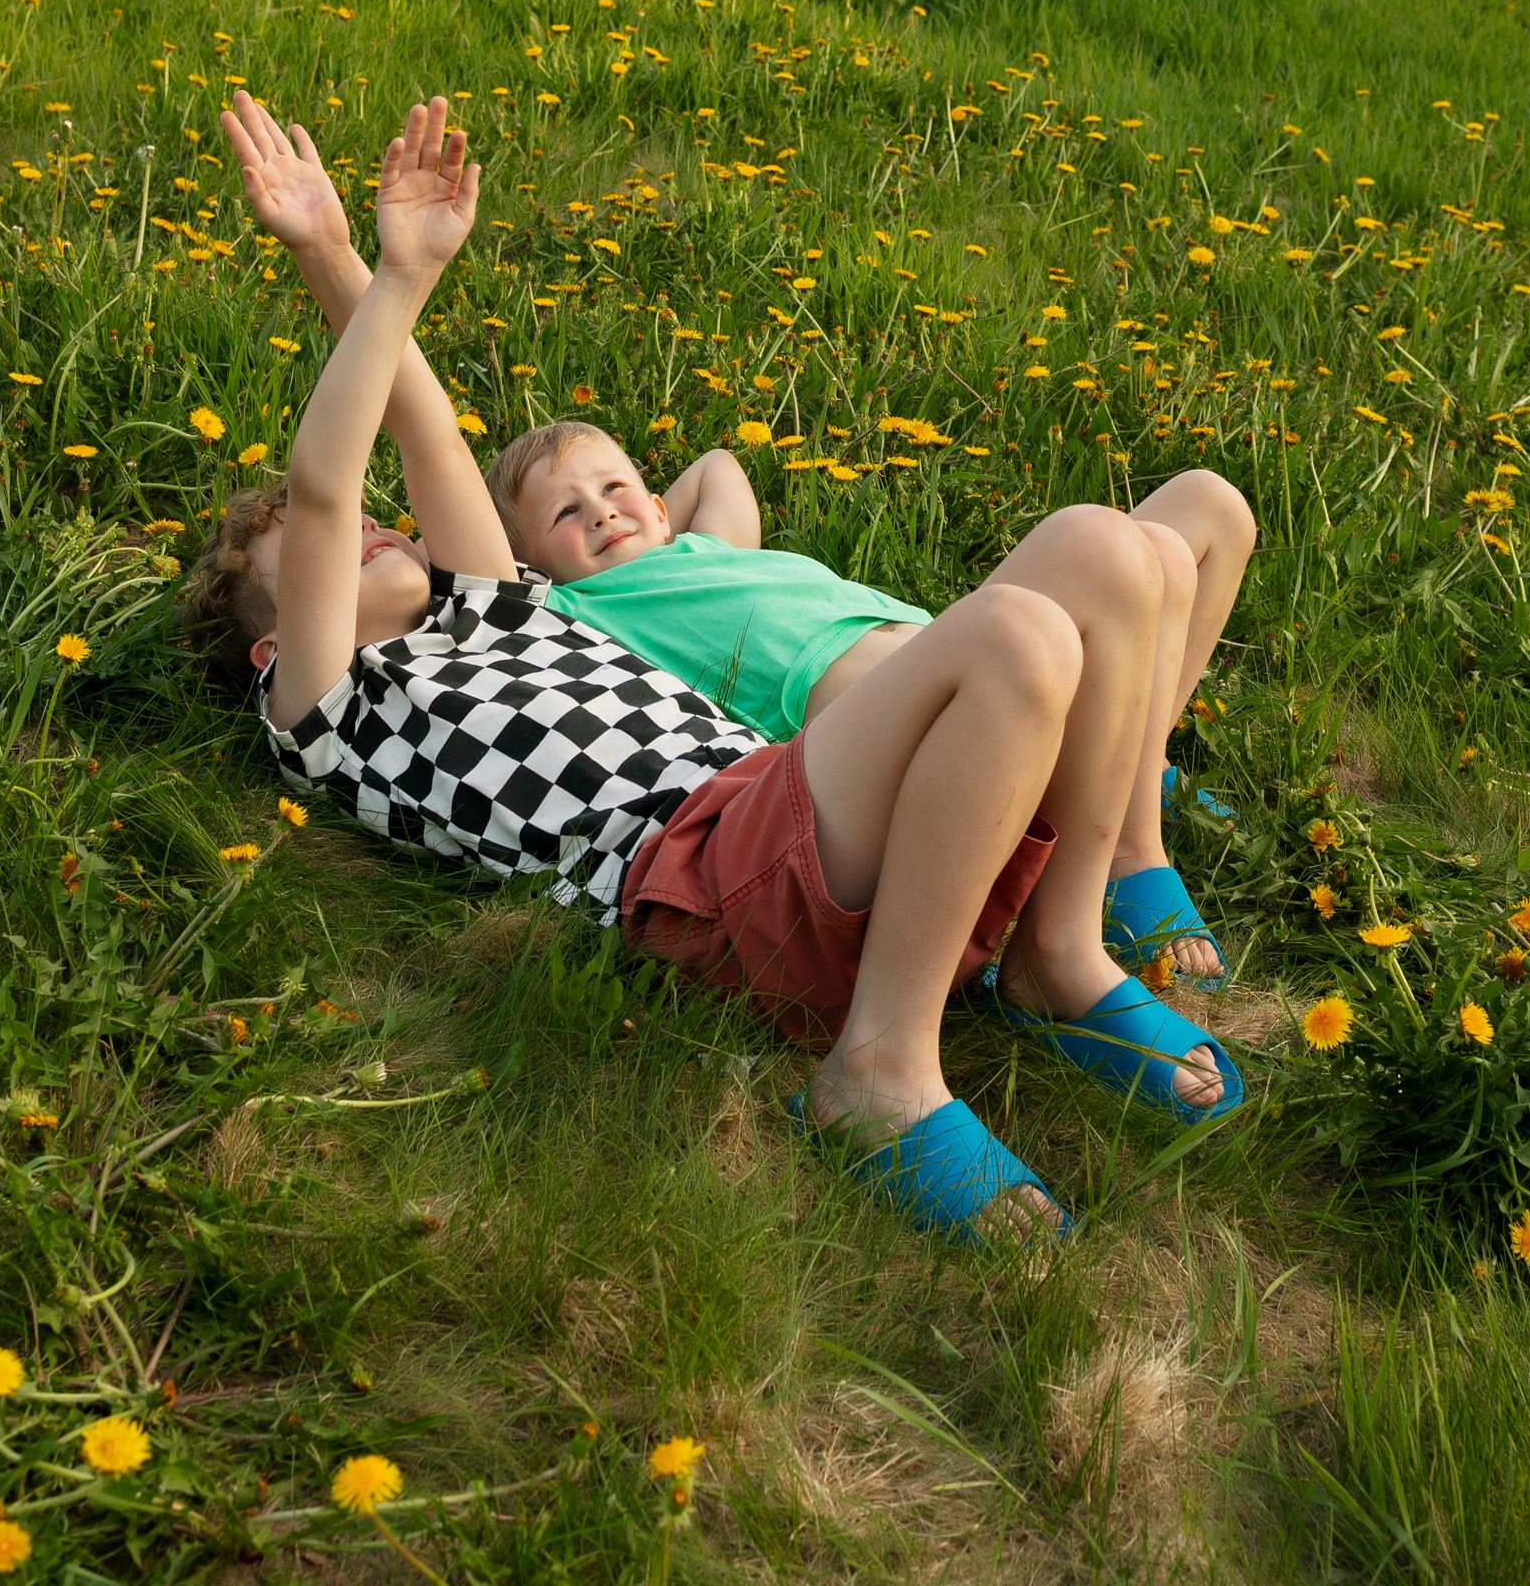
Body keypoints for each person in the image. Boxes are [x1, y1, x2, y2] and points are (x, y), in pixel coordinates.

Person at [196, 90, 1242, 1247]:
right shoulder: (334, 709)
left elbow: (423, 434)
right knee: (1014, 634)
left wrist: (347, 256)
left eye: (381, 530)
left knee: (1089, 553)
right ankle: (877, 1071)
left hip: (792, 805)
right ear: (276, 643)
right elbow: (332, 471)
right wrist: (384, 286)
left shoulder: (493, 608)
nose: (378, 532)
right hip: (693, 868)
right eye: (335, 553)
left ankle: (1055, 949)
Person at [488, 428, 1255, 1005]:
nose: (599, 512)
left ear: (658, 507)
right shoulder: (577, 610)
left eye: (615, 489)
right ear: (530, 563)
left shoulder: (706, 548)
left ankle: (1129, 764)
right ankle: (1127, 847)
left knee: (1203, 508)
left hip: (1008, 661)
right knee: (1097, 543)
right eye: (566, 510)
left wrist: (648, 512)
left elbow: (718, 466)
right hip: (934, 727)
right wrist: (546, 543)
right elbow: (466, 557)